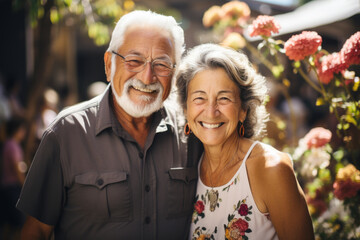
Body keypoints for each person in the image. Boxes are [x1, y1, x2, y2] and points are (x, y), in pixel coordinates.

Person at [16, 10, 202, 240]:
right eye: (134, 61)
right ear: (108, 64)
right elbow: (36, 232)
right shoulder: (66, 133)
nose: (146, 77)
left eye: (162, 65)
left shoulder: (192, 131)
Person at [176, 44, 314, 240]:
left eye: (223, 98)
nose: (211, 111)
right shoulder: (189, 168)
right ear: (185, 109)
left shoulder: (271, 169)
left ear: (243, 110)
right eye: (200, 98)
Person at [0, 117, 27, 240]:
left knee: (7, 225)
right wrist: (25, 187)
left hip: (6, 188)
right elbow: (17, 169)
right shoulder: (13, 146)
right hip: (13, 189)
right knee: (18, 224)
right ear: (17, 130)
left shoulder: (7, 144)